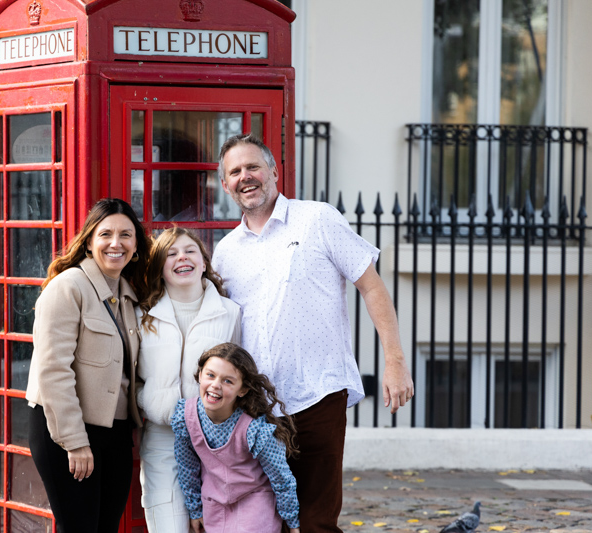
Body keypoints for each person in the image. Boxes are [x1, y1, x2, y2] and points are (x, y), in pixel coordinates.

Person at [211, 134, 415, 533]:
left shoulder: (318, 219)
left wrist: (395, 362)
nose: (245, 177)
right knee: (261, 520)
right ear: (225, 185)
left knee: (317, 521)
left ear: (274, 171)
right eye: (235, 171)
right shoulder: (226, 251)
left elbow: (372, 286)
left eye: (253, 166)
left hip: (317, 395)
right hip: (256, 409)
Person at [26, 198, 150, 533]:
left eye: (126, 235)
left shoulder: (127, 294)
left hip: (116, 432)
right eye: (105, 234)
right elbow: (52, 369)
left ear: (136, 244)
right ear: (89, 241)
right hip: (68, 429)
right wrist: (75, 441)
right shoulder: (68, 287)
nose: (116, 243)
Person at [136, 227, 241, 533]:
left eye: (190, 251)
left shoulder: (230, 313)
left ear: (204, 262)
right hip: (161, 437)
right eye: (171, 253)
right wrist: (151, 402)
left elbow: (242, 375)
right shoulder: (143, 314)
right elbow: (128, 376)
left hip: (216, 438)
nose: (181, 257)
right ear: (160, 268)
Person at [171, 343, 300, 533]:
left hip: (255, 502)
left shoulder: (255, 430)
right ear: (200, 375)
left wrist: (292, 522)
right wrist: (195, 510)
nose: (216, 385)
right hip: (214, 504)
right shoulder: (186, 417)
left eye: (228, 381)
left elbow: (281, 477)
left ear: (243, 390)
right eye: (210, 375)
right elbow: (187, 468)